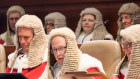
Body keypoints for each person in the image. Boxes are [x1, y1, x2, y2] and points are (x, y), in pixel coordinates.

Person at [40, 27, 105, 79]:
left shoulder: (88, 65)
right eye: (55, 49)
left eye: (61, 48)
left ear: (70, 47)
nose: (58, 53)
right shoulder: (53, 68)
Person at [5, 14, 48, 79]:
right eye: (20, 37)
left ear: (37, 38)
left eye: (26, 37)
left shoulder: (45, 58)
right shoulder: (13, 58)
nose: (22, 41)